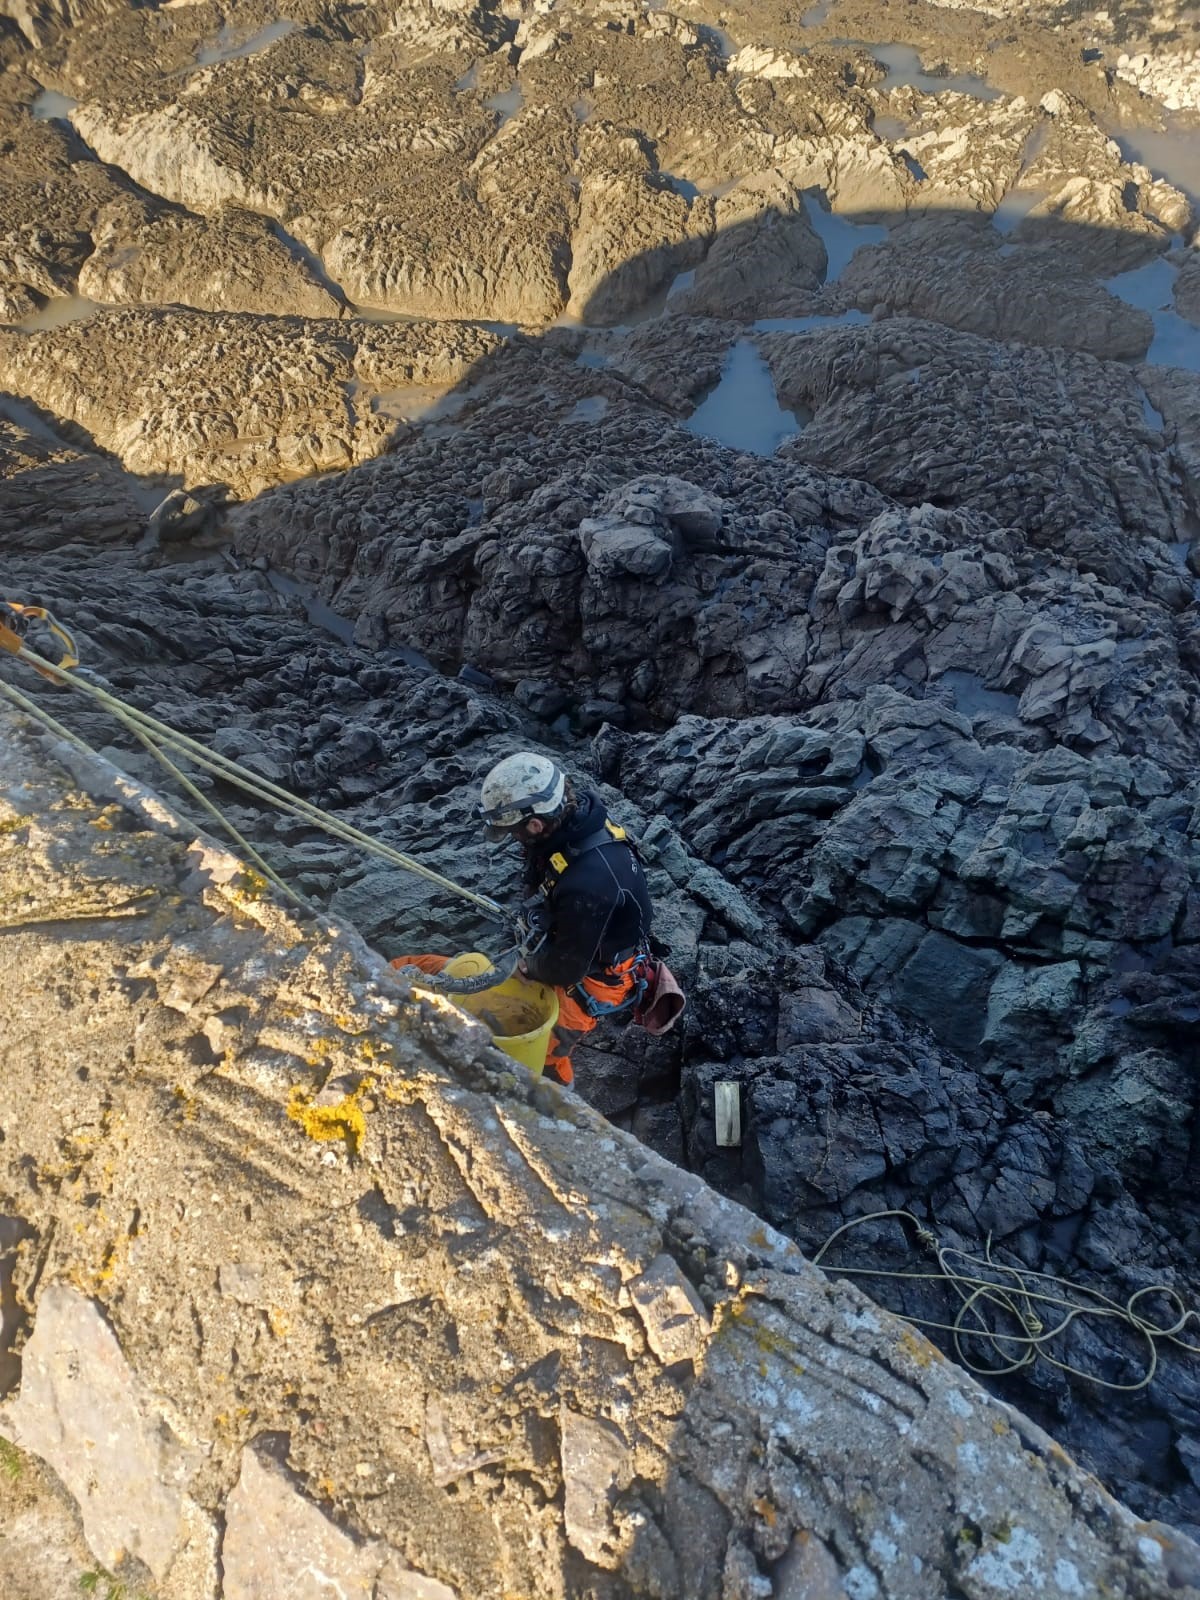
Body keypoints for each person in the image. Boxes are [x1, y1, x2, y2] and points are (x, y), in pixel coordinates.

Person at [393, 752, 661, 1086]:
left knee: (543, 1058)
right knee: (430, 968)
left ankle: (558, 1101)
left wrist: (528, 968)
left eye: (515, 833)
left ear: (534, 825)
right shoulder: (573, 823)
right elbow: (541, 869)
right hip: (574, 937)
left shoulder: (590, 883)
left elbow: (567, 968)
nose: (516, 839)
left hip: (594, 976)